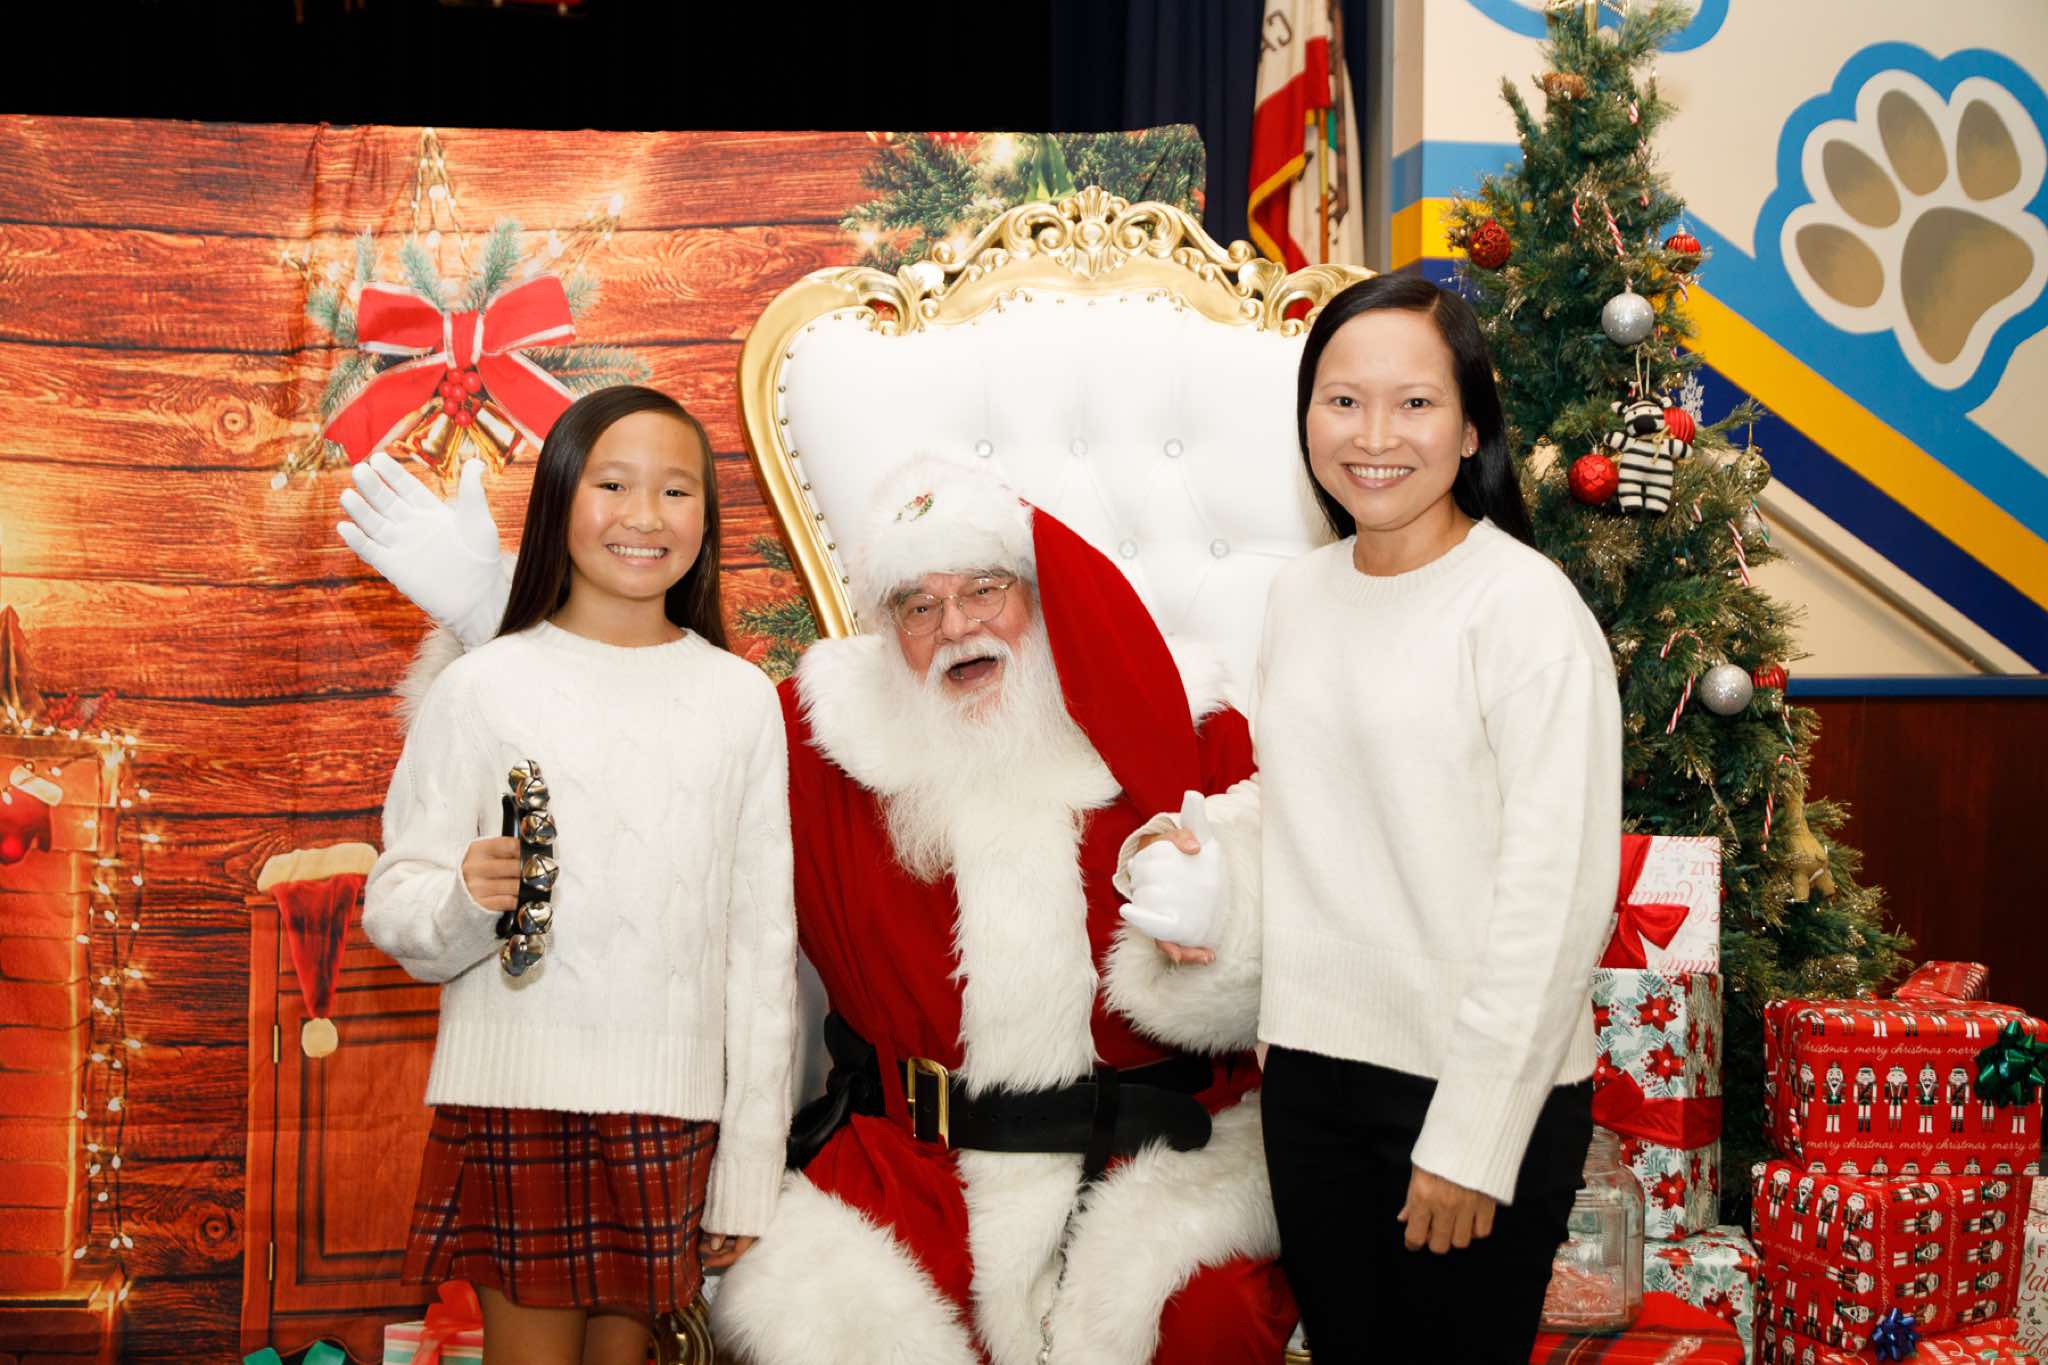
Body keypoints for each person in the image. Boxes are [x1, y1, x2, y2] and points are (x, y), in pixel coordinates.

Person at [341, 452, 1295, 1365]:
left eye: (984, 590)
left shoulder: (1188, 723)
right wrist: (491, 618)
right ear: (885, 631)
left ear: (1039, 595)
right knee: (821, 1315)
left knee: (1207, 1315)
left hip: (1158, 1160)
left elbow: (1298, 927)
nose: (956, 626)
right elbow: (640, 781)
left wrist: (1225, 912)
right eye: (918, 606)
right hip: (908, 1169)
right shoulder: (821, 746)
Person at [1123, 274, 1622, 1363]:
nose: (1374, 436)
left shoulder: (1524, 609)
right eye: (1342, 401)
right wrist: (1190, 843)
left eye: (1415, 403)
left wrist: (1470, 1140)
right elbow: (1293, 793)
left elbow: (1558, 898)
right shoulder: (1300, 595)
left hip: (1470, 1090)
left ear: (1471, 425)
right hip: (1311, 1081)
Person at [359, 386, 797, 1365]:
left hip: (674, 1110)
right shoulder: (482, 685)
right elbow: (394, 904)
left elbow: (762, 953)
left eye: (676, 490)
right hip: (520, 1099)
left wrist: (749, 1168)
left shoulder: (739, 700)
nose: (645, 516)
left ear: (706, 518)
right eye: (612, 485)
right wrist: (466, 900)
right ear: (560, 499)